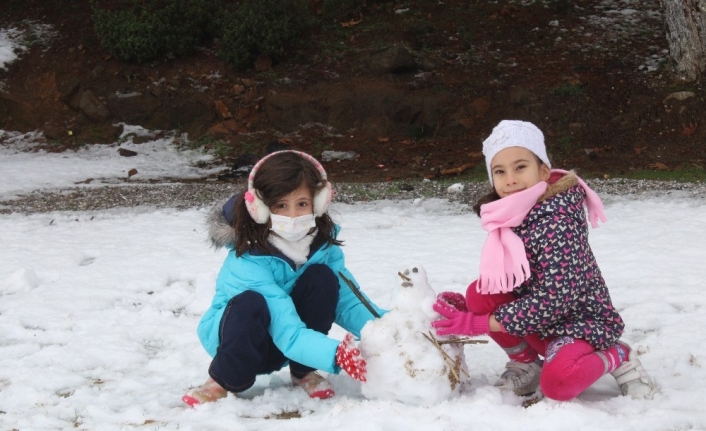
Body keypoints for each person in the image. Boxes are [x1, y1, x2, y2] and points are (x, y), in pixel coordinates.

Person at [431, 120, 656, 401]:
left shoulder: (557, 221)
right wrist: (471, 310)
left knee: (559, 384)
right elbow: (511, 283)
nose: (510, 179)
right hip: (542, 323)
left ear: (544, 171)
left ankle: (617, 354)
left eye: (520, 166)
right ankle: (528, 364)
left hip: (579, 324)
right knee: (479, 294)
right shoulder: (512, 213)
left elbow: (554, 299)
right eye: (499, 171)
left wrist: (479, 323)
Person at [182, 150, 384, 406]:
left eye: (301, 203)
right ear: (261, 209)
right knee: (250, 303)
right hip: (239, 340)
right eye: (281, 205)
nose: (293, 216)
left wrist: (395, 328)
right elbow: (286, 329)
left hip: (291, 342)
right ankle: (222, 379)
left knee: (323, 279)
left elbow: (349, 301)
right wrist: (337, 354)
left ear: (319, 202)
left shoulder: (323, 248)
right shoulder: (248, 260)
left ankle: (304, 371)